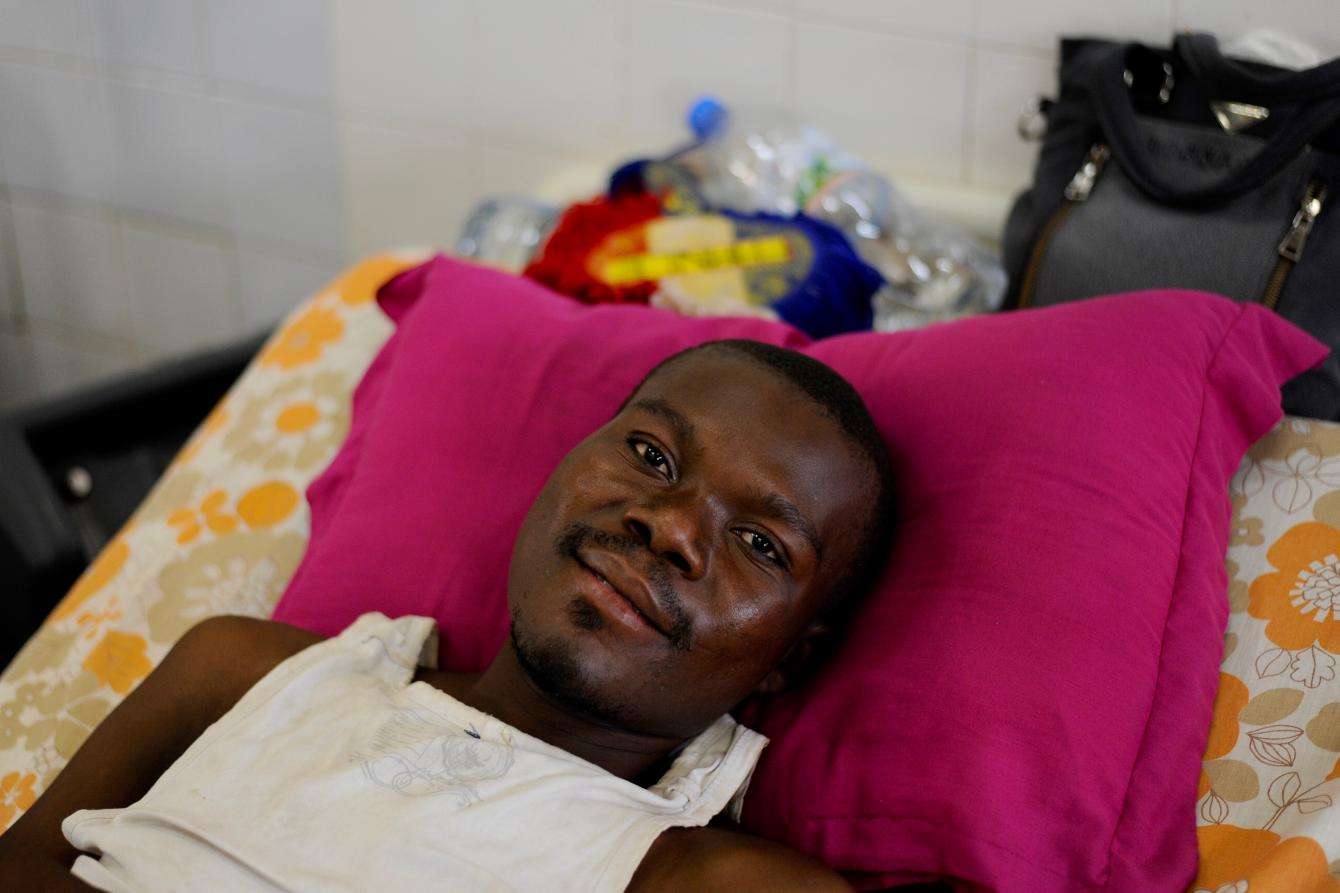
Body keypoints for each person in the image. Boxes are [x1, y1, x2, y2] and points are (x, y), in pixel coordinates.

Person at [0, 339, 896, 891]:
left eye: (762, 544)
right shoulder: (244, 673)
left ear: (787, 658)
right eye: (652, 455)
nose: (668, 525)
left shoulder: (713, 882)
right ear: (563, 467)